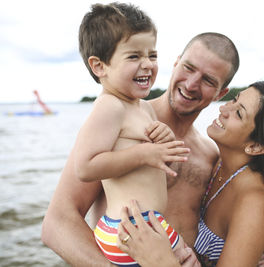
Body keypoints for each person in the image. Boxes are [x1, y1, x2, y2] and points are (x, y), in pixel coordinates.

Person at [41, 31, 242, 266]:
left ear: (221, 93)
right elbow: (56, 224)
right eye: (188, 68)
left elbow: (223, 223)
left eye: (208, 80)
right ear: (176, 63)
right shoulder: (119, 122)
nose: (191, 84)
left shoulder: (210, 155)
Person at [117, 81, 264, 267]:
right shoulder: (220, 163)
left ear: (255, 146)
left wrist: (159, 260)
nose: (223, 108)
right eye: (234, 99)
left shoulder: (256, 202)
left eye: (238, 113)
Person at [69, 3, 190, 266]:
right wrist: (143, 153)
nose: (147, 64)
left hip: (146, 224)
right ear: (99, 66)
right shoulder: (109, 106)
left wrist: (164, 140)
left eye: (152, 55)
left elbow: (156, 170)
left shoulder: (143, 107)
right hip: (128, 230)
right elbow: (85, 167)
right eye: (134, 56)